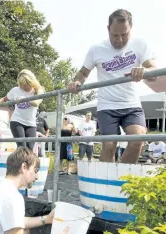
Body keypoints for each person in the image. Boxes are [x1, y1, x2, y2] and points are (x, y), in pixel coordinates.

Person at [67, 9, 156, 164]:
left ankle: (120, 180)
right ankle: (104, 183)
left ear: (131, 29)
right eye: (115, 35)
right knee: (109, 145)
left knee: (138, 140)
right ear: (108, 29)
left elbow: (154, 72)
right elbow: (82, 73)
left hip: (131, 104)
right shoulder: (96, 49)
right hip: (107, 105)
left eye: (124, 34)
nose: (120, 40)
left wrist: (144, 71)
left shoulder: (140, 44)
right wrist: (76, 82)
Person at [0, 69, 44, 151]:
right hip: (17, 121)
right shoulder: (15, 90)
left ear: (31, 82)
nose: (23, 87)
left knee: (30, 148)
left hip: (31, 123)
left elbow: (36, 103)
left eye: (25, 84)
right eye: (21, 84)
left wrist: (23, 100)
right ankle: (20, 163)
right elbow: (5, 98)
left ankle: (26, 163)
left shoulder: (38, 90)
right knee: (22, 147)